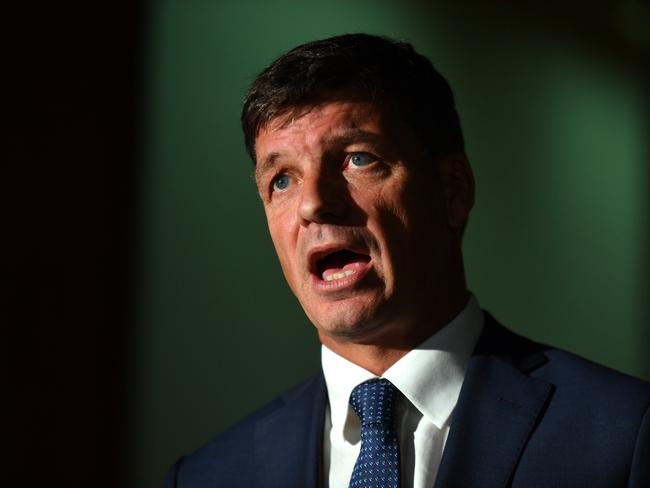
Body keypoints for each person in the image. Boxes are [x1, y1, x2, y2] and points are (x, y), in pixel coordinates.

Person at [165, 33, 649, 488]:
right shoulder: (211, 474)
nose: (313, 203)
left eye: (358, 158)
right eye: (282, 180)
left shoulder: (624, 435)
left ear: (453, 190)